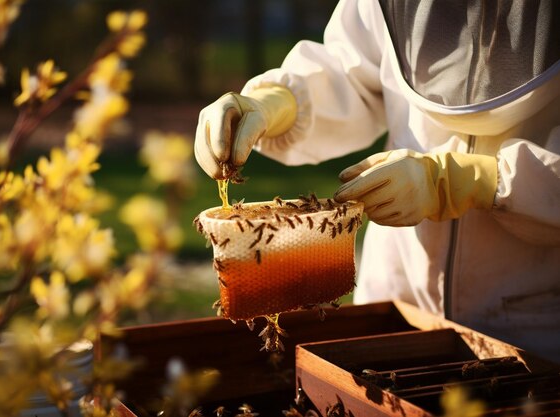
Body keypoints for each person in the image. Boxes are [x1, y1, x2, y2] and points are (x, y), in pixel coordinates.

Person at [194, 0, 560, 363]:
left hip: (531, 327)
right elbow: (351, 68)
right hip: (395, 291)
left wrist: (474, 181)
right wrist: (276, 102)